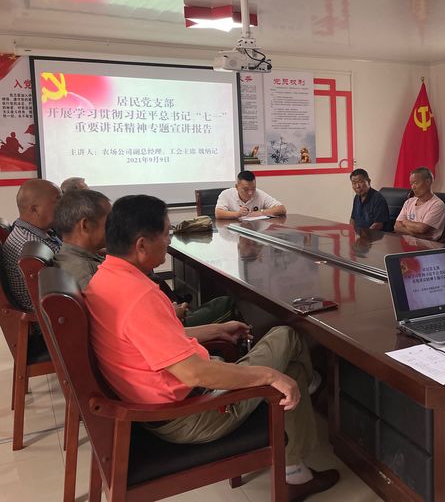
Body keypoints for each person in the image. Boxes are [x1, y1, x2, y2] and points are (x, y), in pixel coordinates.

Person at [83, 195, 338, 499]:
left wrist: (216, 329)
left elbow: (150, 339)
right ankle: (309, 392)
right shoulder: (139, 296)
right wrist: (269, 376)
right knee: (287, 338)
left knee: (290, 370)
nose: (168, 240)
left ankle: (295, 469)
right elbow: (194, 374)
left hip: (160, 404)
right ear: (141, 245)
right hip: (191, 414)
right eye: (165, 234)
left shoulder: (106, 279)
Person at [52, 190, 236, 326]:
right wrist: (168, 312)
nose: (115, 227)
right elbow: (120, 320)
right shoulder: (82, 272)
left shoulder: (76, 258)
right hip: (158, 329)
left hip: (155, 321)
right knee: (226, 304)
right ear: (85, 226)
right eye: (109, 222)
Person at [1, 179, 62, 311]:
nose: (64, 206)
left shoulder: (33, 231)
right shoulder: (31, 244)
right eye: (58, 201)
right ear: (35, 209)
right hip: (44, 316)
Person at [393, 167, 445, 241]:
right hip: (407, 243)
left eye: (415, 183)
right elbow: (397, 226)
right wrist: (414, 234)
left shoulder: (437, 204)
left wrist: (405, 222)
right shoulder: (409, 202)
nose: (413, 187)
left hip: (427, 245)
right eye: (411, 184)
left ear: (428, 182)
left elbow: (421, 229)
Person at [215, 170, 286, 219]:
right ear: (237, 187)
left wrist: (260, 213)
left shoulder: (259, 194)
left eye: (253, 188)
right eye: (246, 189)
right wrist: (238, 214)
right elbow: (218, 213)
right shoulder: (226, 194)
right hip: (233, 231)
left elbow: (281, 209)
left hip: (254, 230)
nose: (250, 193)